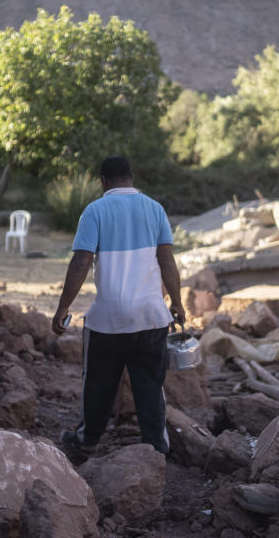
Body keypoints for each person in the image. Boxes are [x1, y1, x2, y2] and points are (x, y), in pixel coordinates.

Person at [52, 155, 185, 464]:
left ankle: (86, 443)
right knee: (150, 387)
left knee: (97, 386)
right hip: (151, 318)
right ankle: (157, 449)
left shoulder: (95, 210)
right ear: (132, 177)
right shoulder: (155, 209)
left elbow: (81, 262)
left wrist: (63, 308)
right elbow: (168, 261)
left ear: (103, 182)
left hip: (107, 323)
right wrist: (176, 303)